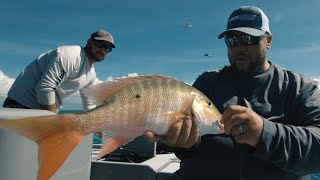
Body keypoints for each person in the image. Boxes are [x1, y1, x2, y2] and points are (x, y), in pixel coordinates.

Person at [144, 6, 320, 180]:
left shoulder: (300, 88)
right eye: (232, 40)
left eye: (249, 38)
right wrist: (183, 144)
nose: (240, 47)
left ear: (269, 40)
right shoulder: (208, 82)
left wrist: (264, 133)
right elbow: (189, 143)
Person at [3, 29, 115, 113]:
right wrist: (53, 124)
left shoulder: (91, 75)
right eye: (100, 44)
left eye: (108, 48)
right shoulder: (70, 56)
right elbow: (45, 88)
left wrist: (100, 130)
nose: (103, 49)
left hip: (40, 111)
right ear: (90, 42)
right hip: (19, 106)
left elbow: (89, 105)